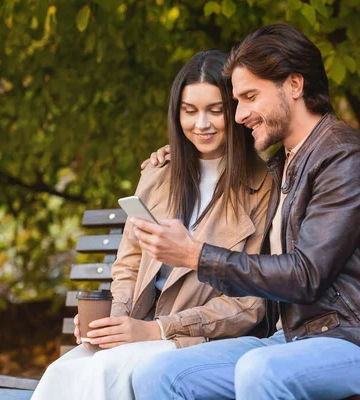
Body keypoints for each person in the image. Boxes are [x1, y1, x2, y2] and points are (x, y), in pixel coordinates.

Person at [130, 23, 360, 399]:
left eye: (250, 97)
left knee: (260, 370)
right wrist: (177, 155)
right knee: (159, 373)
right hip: (294, 341)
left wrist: (195, 255)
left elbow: (305, 275)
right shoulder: (282, 166)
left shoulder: (344, 158)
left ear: (294, 85)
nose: (238, 114)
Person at [30, 50, 273, 400]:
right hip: (139, 328)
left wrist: (155, 329)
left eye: (215, 110)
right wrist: (112, 323)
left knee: (104, 372)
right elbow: (128, 264)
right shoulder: (159, 173)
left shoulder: (260, 187)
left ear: (235, 111)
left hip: (197, 340)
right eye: (189, 111)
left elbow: (249, 304)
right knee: (64, 370)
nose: (201, 124)